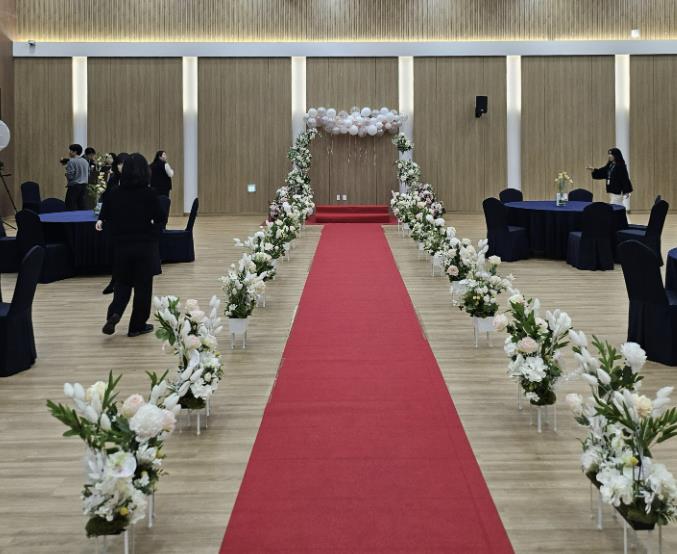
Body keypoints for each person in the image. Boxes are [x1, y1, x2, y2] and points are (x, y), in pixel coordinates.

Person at [96, 153, 166, 337]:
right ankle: (137, 325)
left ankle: (115, 313)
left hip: (121, 246)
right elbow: (160, 217)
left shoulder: (114, 193)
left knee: (122, 284)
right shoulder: (149, 193)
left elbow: (105, 215)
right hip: (144, 245)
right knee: (143, 288)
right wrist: (153, 232)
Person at [99, 153, 129, 295]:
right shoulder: (113, 180)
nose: (121, 167)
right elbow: (106, 201)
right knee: (116, 252)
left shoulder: (135, 181)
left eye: (124, 164)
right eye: (119, 164)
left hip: (129, 222)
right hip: (114, 222)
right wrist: (101, 218)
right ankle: (114, 281)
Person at [64, 144, 90, 210]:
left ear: (75, 152)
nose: (69, 152)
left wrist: (66, 174)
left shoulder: (71, 161)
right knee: (81, 205)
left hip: (74, 187)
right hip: (84, 186)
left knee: (70, 206)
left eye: (71, 151)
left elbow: (70, 176)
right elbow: (88, 173)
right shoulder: (85, 161)